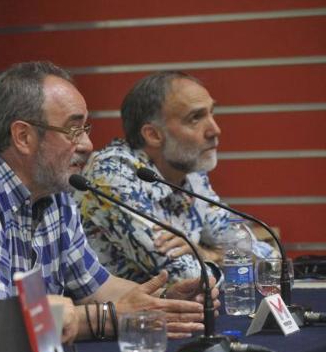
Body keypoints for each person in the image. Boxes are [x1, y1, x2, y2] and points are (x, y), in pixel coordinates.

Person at [0, 62, 218, 342]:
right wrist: (110, 319)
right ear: (23, 137)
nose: (87, 144)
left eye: (86, 128)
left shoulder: (55, 190)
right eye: (73, 129)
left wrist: (164, 300)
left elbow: (98, 287)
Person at [74, 71, 275, 284]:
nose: (215, 130)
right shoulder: (112, 174)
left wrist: (206, 254)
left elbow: (268, 258)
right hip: (119, 314)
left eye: (211, 113)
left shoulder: (190, 172)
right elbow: (186, 277)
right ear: (153, 135)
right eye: (195, 118)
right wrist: (223, 258)